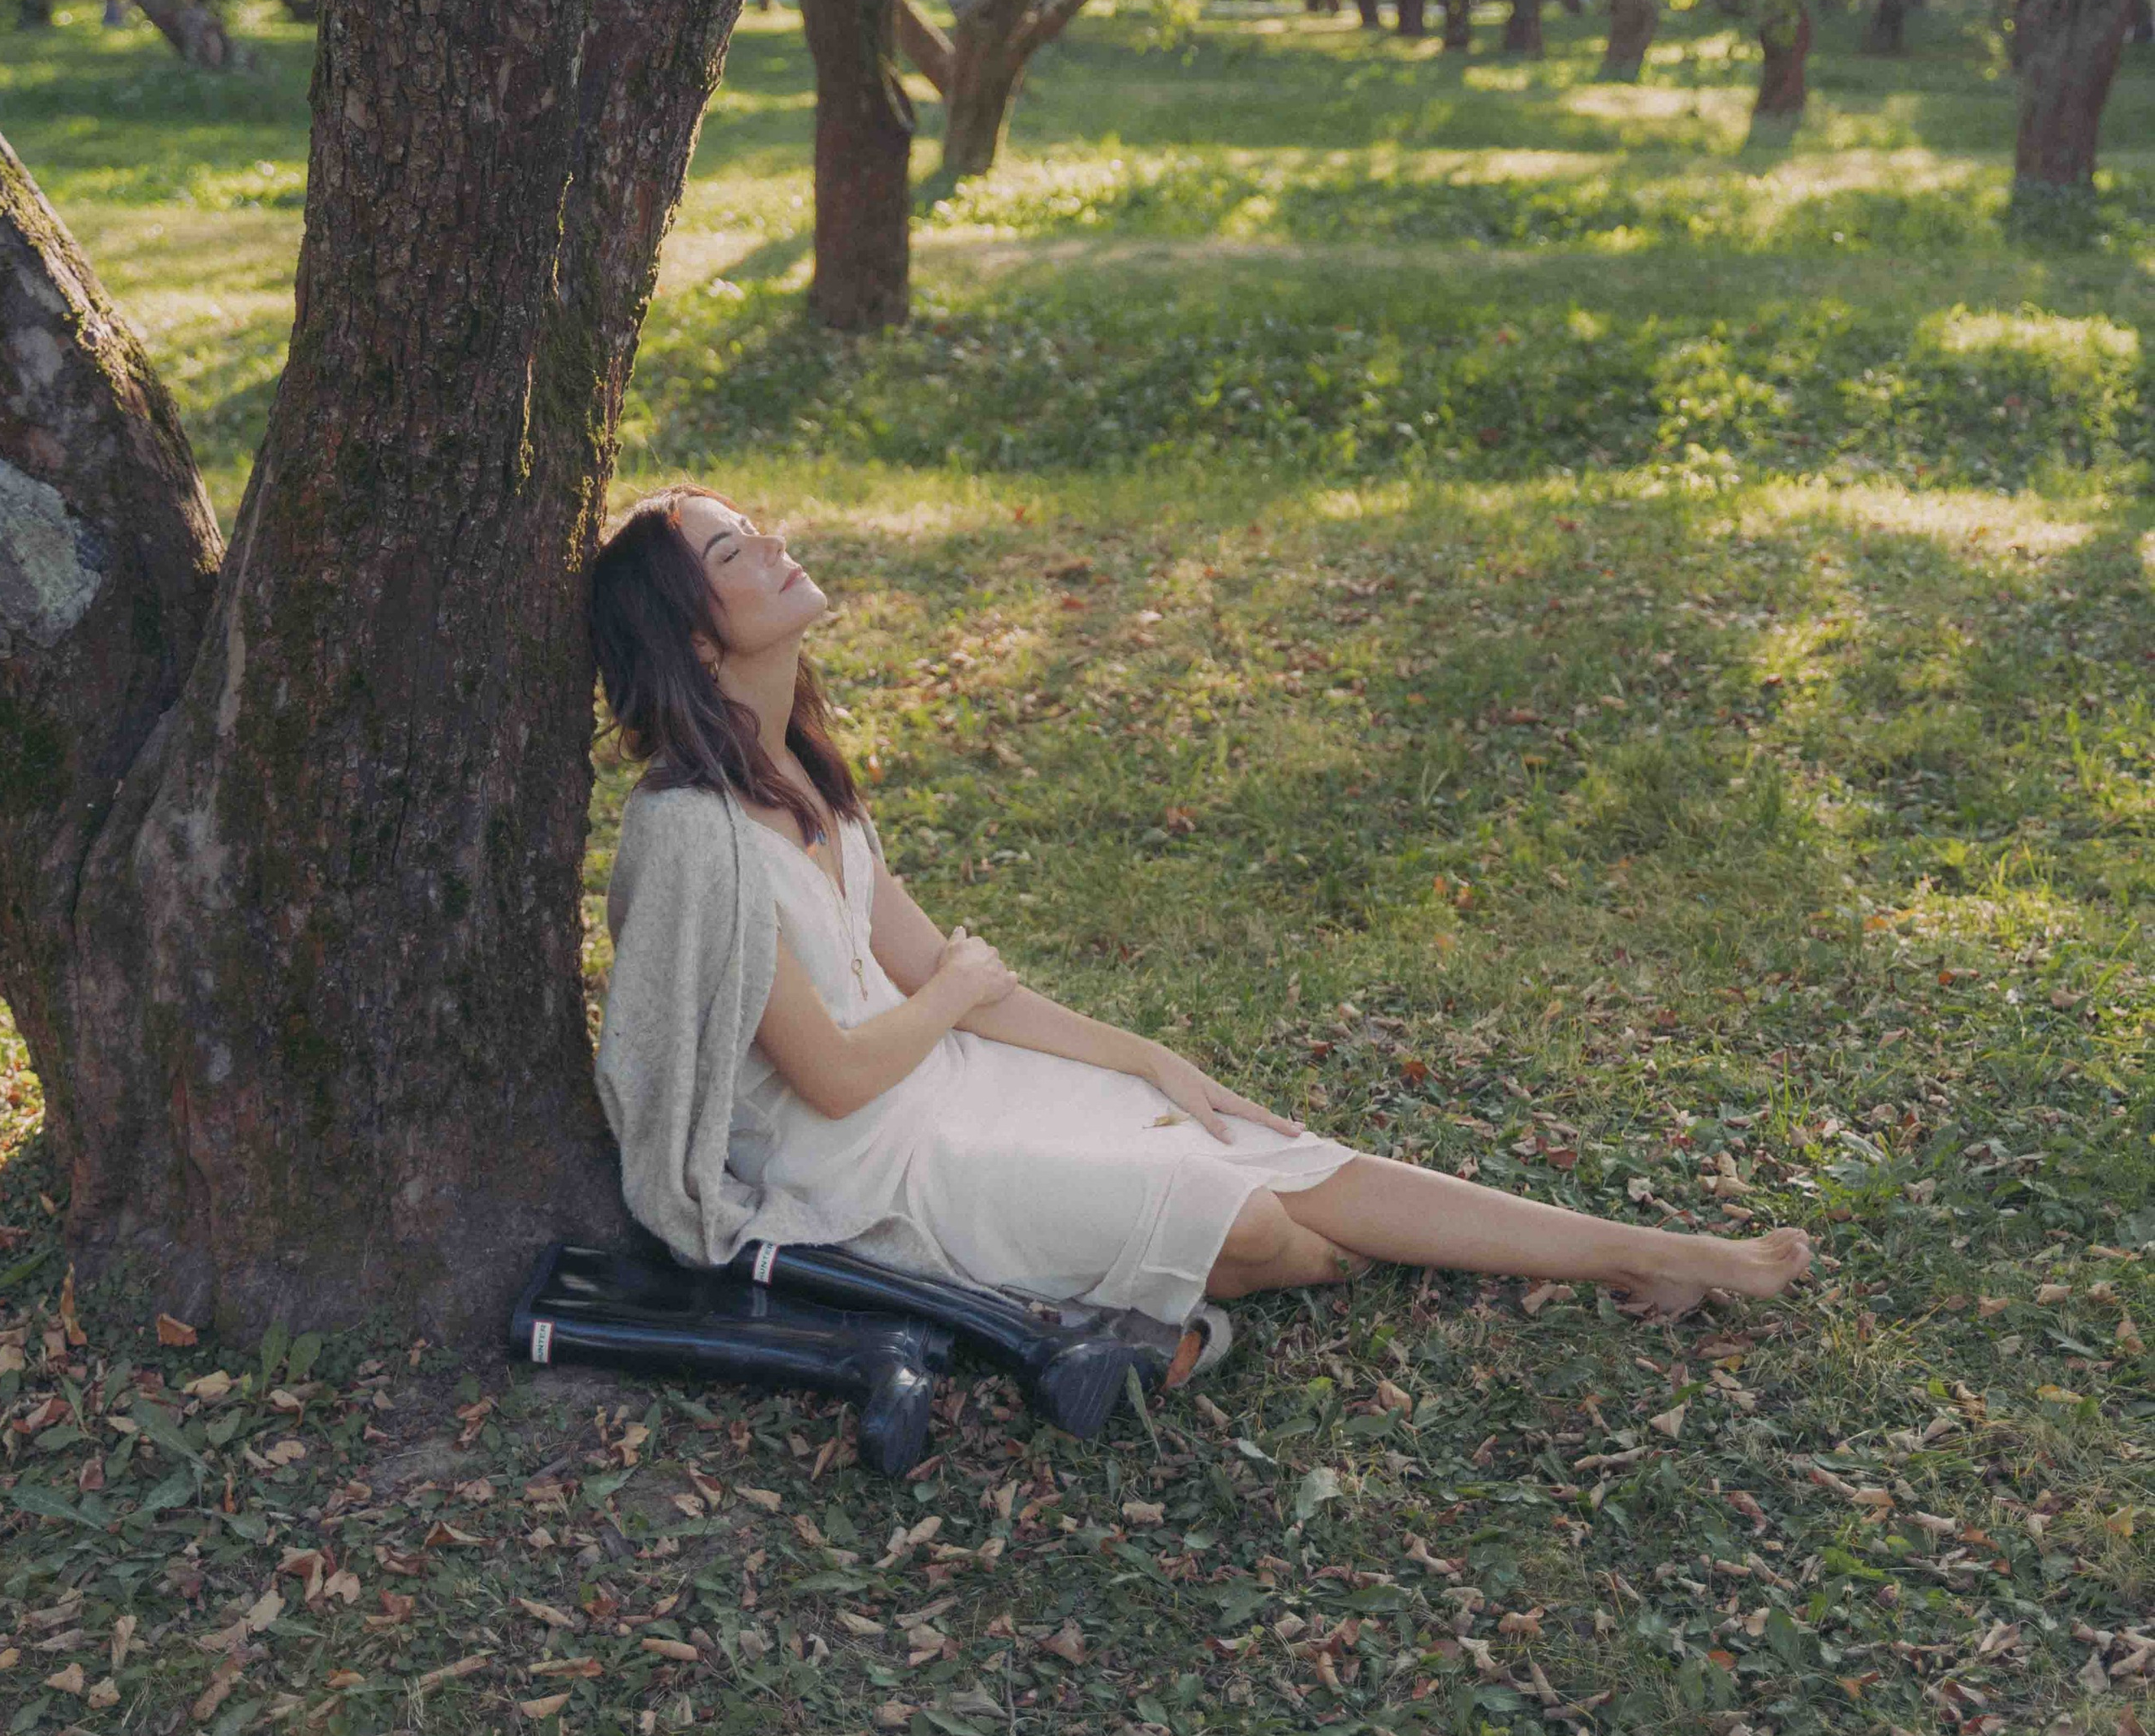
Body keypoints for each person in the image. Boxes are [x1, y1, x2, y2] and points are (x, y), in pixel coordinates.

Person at [587, 488, 1808, 1389]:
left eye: (758, 526)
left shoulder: (800, 770)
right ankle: (1113, 1300)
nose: (779, 543)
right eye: (737, 550)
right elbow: (844, 1072)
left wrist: (1150, 1059)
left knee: (1278, 1152)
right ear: (691, 634)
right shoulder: (696, 834)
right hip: (865, 1164)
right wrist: (959, 988)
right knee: (1260, 1228)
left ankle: (1654, 1251)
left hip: (953, 1083)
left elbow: (949, 986)